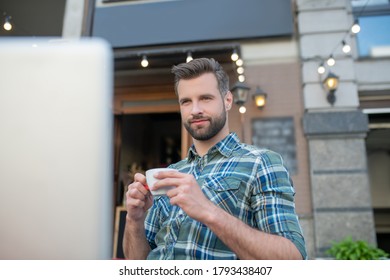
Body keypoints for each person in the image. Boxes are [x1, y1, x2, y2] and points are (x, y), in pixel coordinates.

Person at [123, 58, 307, 260]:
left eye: (206, 98)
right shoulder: (172, 173)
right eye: (186, 101)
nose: (195, 110)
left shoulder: (261, 163)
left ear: (227, 100)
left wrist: (208, 211)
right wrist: (134, 219)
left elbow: (293, 260)